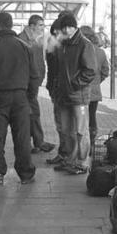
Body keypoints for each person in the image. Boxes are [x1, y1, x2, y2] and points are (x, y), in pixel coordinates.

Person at [0, 12, 38, 185]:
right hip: (21, 96)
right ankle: (26, 173)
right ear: (11, 25)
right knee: (22, 137)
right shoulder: (25, 45)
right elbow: (35, 75)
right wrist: (29, 96)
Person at [54, 14, 96, 174]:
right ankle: (70, 160)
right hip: (64, 95)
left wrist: (74, 84)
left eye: (68, 27)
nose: (66, 30)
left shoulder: (85, 44)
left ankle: (82, 161)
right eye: (63, 27)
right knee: (66, 130)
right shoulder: (63, 44)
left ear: (75, 27)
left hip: (79, 95)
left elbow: (90, 70)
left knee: (80, 130)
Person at [18, 15, 55, 154]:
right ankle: (35, 142)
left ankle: (36, 142)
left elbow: (39, 62)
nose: (43, 28)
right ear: (32, 26)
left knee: (32, 113)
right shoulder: (22, 40)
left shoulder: (36, 40)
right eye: (40, 25)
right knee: (30, 113)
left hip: (33, 82)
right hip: (26, 83)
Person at [79, 26, 109, 156]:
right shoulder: (100, 52)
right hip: (95, 92)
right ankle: (91, 143)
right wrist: (97, 82)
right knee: (92, 118)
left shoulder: (80, 50)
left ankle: (82, 147)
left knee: (80, 120)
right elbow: (105, 71)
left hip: (80, 91)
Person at [45, 18, 68, 165]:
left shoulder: (68, 47)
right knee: (61, 123)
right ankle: (65, 152)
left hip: (64, 90)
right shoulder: (53, 46)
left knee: (64, 124)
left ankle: (66, 154)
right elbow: (51, 68)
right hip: (56, 89)